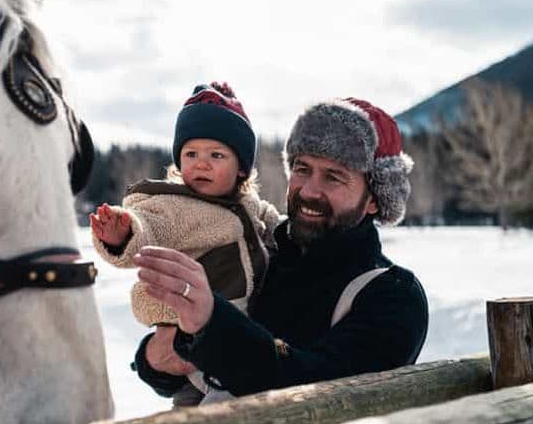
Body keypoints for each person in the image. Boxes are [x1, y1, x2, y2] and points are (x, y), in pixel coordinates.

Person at [131, 97, 429, 398]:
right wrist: (153, 358)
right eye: (302, 169)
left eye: (333, 176)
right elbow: (178, 371)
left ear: (375, 199)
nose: (310, 190)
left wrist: (210, 326)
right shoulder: (261, 251)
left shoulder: (393, 295)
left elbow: (319, 389)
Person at [90, 82, 280, 406]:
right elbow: (147, 229)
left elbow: (274, 224)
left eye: (216, 155)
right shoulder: (172, 206)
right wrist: (123, 233)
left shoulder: (250, 205)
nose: (201, 163)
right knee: (203, 402)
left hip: (241, 327)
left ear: (242, 168)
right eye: (191, 154)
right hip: (192, 332)